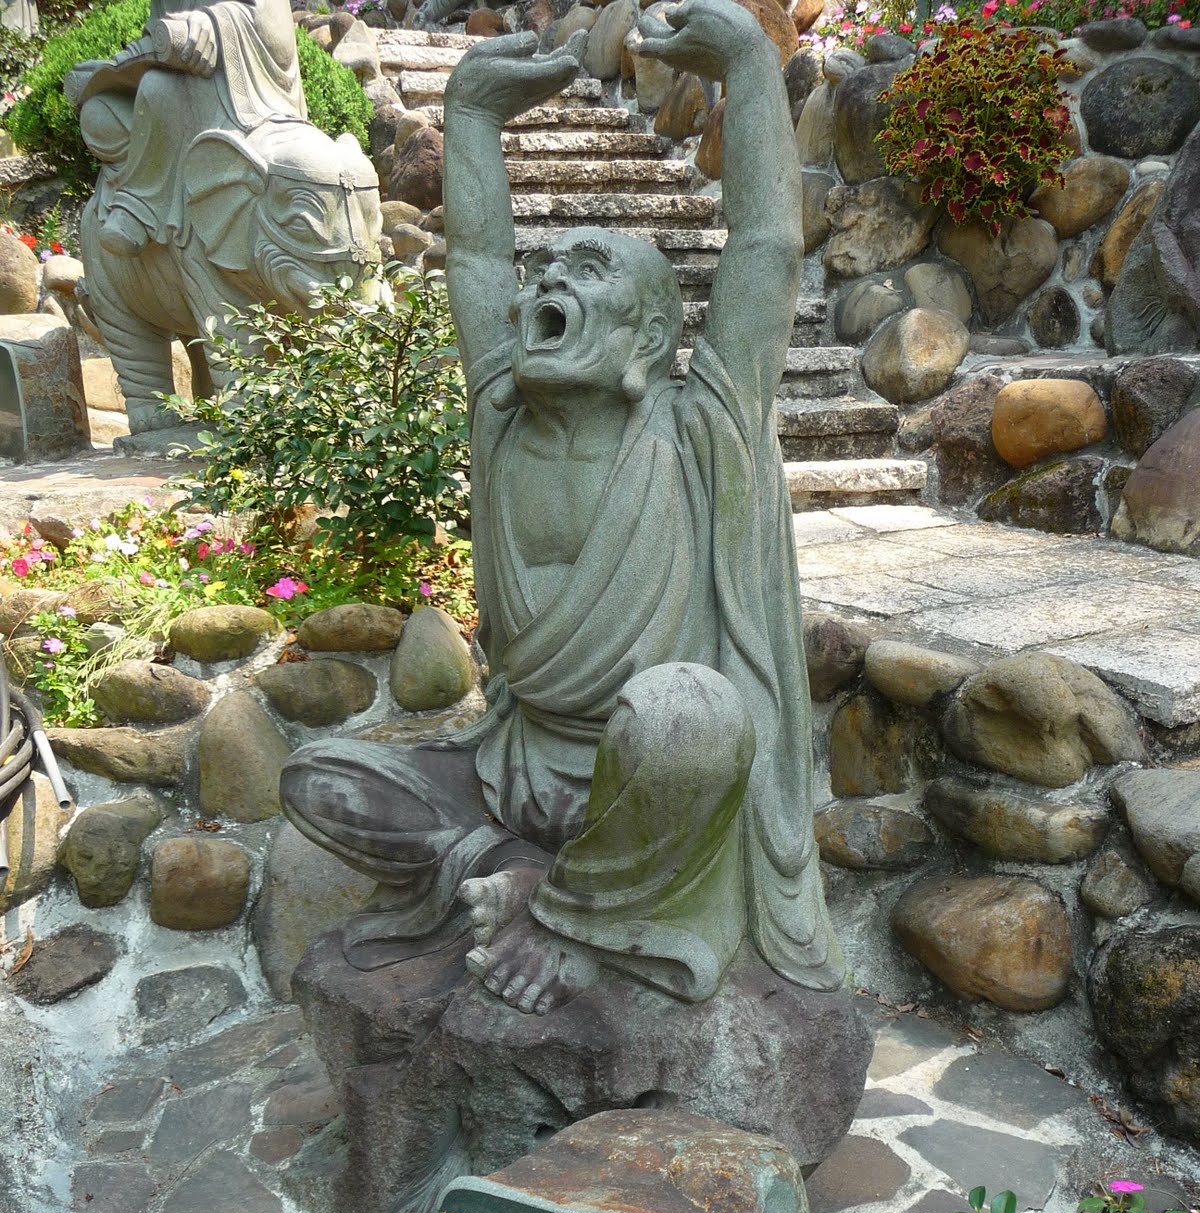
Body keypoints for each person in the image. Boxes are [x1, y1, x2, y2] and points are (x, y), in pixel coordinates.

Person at [281, 0, 845, 1014]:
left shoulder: (700, 426)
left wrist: (751, 65)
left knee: (689, 713)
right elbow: (477, 259)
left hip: (657, 780)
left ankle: (569, 912)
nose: (549, 279)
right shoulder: (504, 415)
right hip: (516, 772)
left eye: (588, 271)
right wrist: (469, 116)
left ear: (647, 341)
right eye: (547, 269)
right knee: (318, 778)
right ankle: (521, 872)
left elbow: (767, 245)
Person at [68, 0, 305, 257]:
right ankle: (154, 189)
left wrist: (214, 24)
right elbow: (160, 40)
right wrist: (113, 67)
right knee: (98, 114)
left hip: (240, 97)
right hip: (175, 93)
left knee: (156, 88)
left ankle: (139, 207)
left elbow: (276, 35)